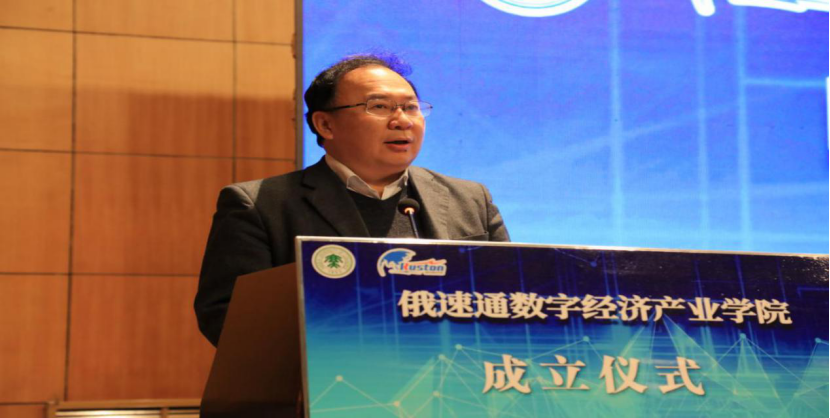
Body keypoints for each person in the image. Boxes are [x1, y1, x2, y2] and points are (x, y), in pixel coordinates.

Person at [194, 54, 509, 346]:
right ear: (325, 124)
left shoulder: (470, 199)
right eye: (380, 107)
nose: (403, 120)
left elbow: (513, 296)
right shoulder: (261, 205)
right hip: (333, 380)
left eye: (411, 107)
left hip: (453, 377)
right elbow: (228, 317)